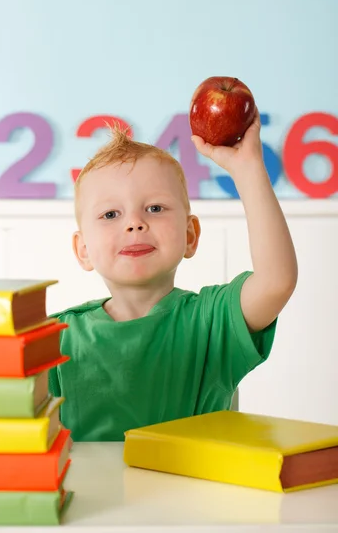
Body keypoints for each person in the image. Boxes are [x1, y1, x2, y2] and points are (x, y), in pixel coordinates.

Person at [48, 108, 298, 441]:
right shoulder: (53, 340)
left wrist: (247, 167)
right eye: (110, 214)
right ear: (83, 250)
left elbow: (275, 281)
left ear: (190, 235)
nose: (134, 223)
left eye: (154, 208)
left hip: (193, 493)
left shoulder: (212, 321)